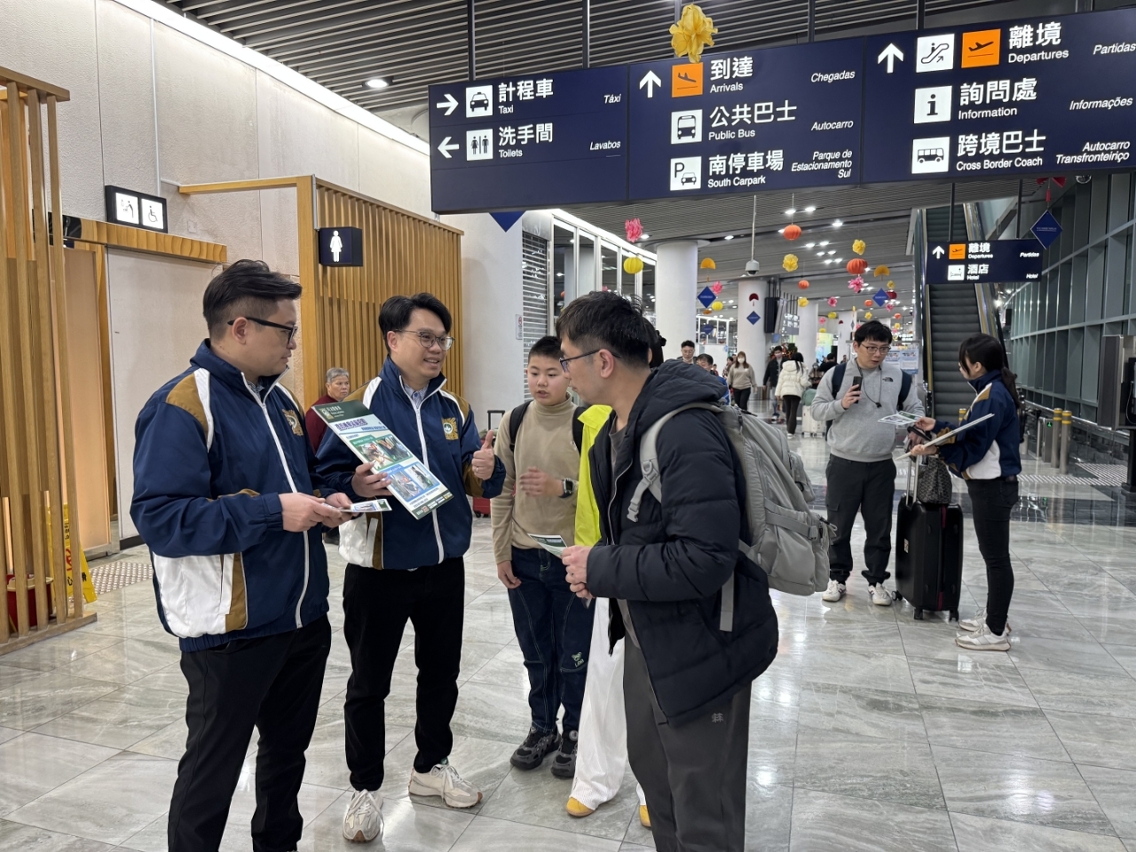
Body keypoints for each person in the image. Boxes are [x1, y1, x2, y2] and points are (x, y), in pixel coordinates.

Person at [131, 259, 354, 852]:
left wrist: (334, 494)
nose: (293, 343)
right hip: (230, 630)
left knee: (286, 759)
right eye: (286, 330)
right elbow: (161, 520)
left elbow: (298, 483)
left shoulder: (281, 403)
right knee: (212, 773)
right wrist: (272, 511)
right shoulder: (182, 405)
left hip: (301, 618)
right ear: (240, 328)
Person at [557, 291, 779, 852]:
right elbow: (642, 533)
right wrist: (598, 570)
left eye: (567, 358)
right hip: (650, 637)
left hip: (706, 644)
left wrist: (603, 565)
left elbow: (706, 557)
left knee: (704, 813)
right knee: (662, 790)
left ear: (602, 361)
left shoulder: (683, 431)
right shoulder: (614, 428)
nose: (563, 372)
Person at [316, 293, 505, 844]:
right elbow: (327, 478)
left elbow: (475, 477)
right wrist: (354, 485)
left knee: (441, 673)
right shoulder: (360, 405)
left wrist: (485, 469)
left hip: (444, 566)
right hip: (379, 569)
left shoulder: (454, 408)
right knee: (368, 683)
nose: (436, 347)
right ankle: (364, 787)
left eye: (442, 339)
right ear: (392, 339)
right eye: (425, 337)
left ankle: (430, 766)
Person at [492, 336, 593, 777]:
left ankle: (575, 730)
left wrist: (561, 487)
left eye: (552, 373)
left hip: (573, 561)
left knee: (574, 653)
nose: (541, 382)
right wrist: (501, 552)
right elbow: (501, 490)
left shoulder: (587, 422)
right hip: (525, 556)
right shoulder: (514, 421)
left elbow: (600, 492)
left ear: (569, 374)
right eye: (534, 372)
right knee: (536, 650)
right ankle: (542, 727)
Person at [911, 334, 1021, 651]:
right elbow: (972, 431)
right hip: (993, 485)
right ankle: (995, 616)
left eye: (963, 363)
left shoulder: (991, 396)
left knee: (996, 559)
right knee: (995, 556)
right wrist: (937, 426)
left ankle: (995, 631)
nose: (960, 369)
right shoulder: (992, 390)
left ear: (977, 366)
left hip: (992, 486)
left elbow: (974, 446)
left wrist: (936, 451)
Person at [810, 320, 924, 605]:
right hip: (843, 463)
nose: (877, 354)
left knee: (879, 528)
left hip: (881, 465)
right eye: (871, 347)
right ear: (856, 345)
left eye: (883, 349)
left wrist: (914, 426)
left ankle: (876, 581)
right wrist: (841, 404)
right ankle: (837, 578)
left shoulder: (899, 377)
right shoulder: (837, 375)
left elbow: (915, 408)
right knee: (838, 526)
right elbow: (816, 410)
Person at [306, 367, 351, 453]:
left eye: (346, 383)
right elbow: (311, 442)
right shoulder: (317, 410)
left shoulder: (347, 405)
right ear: (328, 386)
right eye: (339, 384)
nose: (344, 387)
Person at [775, 351, 810, 438]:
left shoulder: (785, 367)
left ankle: (788, 429)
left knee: (788, 410)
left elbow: (780, 381)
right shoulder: (801, 367)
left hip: (785, 391)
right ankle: (791, 431)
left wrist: (777, 393)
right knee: (793, 411)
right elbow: (804, 382)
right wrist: (810, 383)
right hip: (796, 392)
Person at [763, 347, 784, 422]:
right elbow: (767, 373)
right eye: (776, 352)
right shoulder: (771, 363)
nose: (777, 354)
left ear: (781, 352)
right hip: (774, 383)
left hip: (784, 384)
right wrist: (764, 383)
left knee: (783, 399)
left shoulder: (786, 361)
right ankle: (775, 413)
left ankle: (783, 413)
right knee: (774, 399)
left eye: (778, 352)